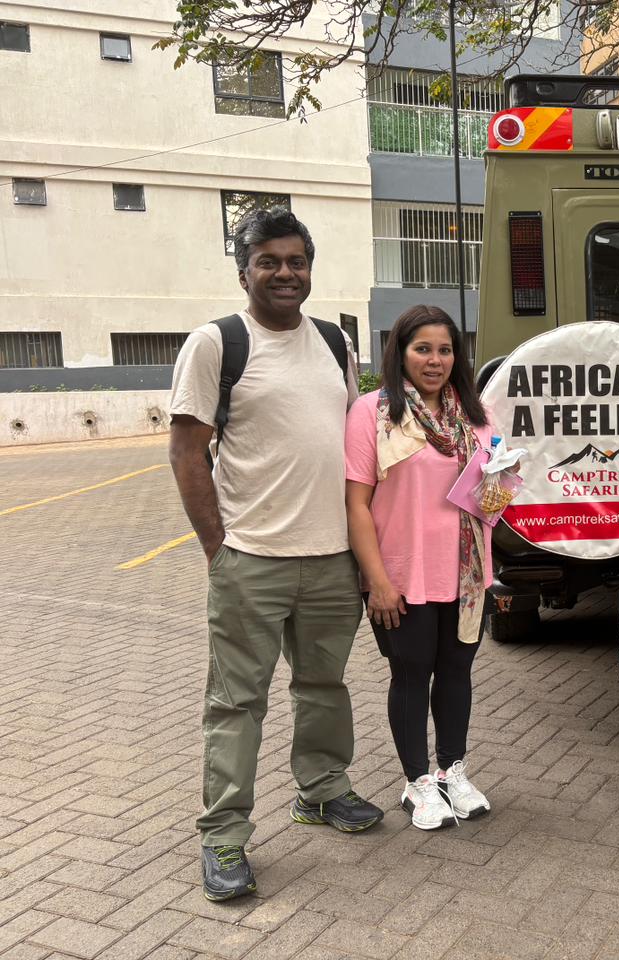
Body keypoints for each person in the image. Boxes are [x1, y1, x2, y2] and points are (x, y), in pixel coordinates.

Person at [169, 208, 383, 903]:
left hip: (331, 559)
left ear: (310, 269)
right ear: (245, 273)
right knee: (236, 703)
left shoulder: (335, 342)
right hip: (252, 558)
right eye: (269, 262)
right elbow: (186, 452)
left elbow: (353, 444)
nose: (285, 273)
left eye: (296, 261)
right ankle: (223, 835)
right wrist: (218, 547)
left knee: (324, 687)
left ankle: (321, 789)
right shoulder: (217, 343)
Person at [344, 305, 495, 832]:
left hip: (467, 576)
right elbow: (356, 504)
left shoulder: (477, 416)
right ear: (401, 352)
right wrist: (377, 582)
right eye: (423, 349)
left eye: (445, 350)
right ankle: (417, 782)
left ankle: (453, 770)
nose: (435, 360)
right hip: (402, 577)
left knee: (457, 674)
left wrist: (503, 485)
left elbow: (489, 501)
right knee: (410, 675)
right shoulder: (373, 413)